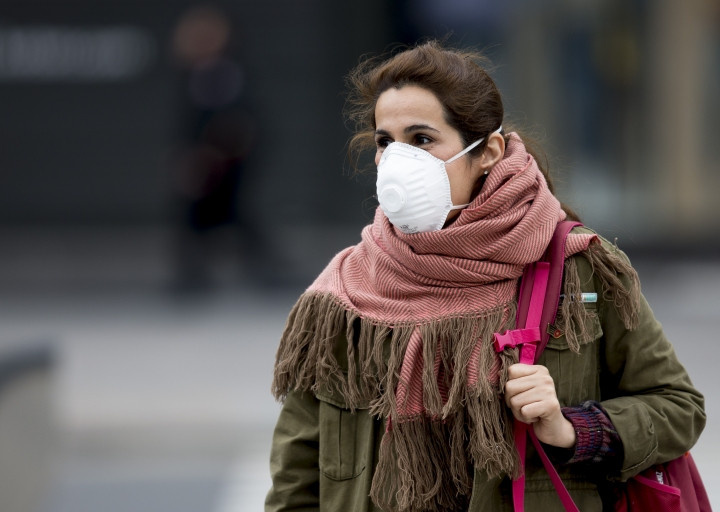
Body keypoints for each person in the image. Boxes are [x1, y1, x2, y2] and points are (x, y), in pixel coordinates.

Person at [265, 41, 706, 512]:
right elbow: (297, 477)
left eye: (421, 139)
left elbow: (678, 405)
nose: (397, 161)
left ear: (488, 151)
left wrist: (573, 427)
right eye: (384, 142)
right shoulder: (347, 291)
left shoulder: (579, 268)